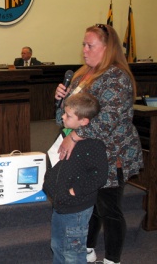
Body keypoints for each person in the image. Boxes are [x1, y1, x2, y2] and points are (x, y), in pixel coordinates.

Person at [54, 24, 143, 264]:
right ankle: (89, 248)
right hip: (87, 154)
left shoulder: (116, 77)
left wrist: (73, 136)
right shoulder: (83, 75)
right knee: (89, 204)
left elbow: (107, 120)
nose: (84, 49)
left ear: (107, 48)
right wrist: (60, 102)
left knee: (108, 208)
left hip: (112, 154)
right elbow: (64, 119)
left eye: (90, 45)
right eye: (83, 44)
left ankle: (113, 259)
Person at [43, 92, 109, 264]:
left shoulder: (94, 144)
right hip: (60, 204)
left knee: (73, 252)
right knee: (57, 246)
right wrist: (50, 183)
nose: (62, 117)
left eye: (68, 115)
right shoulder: (66, 135)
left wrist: (74, 191)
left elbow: (100, 176)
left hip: (76, 208)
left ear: (84, 121)